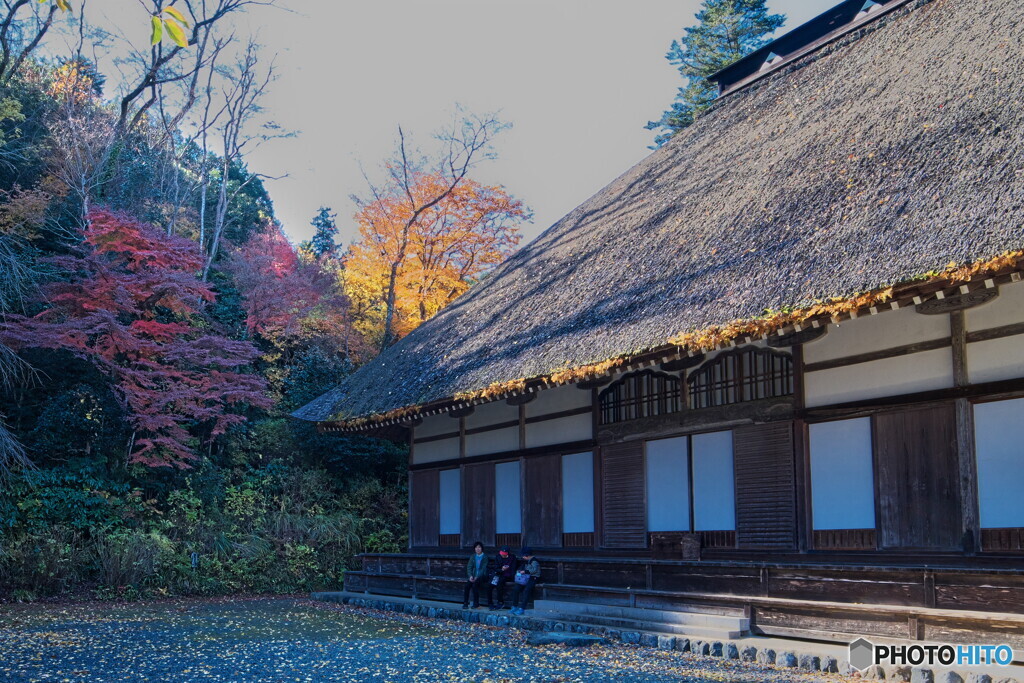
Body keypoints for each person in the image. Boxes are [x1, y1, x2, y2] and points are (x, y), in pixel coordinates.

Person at [509, 547, 540, 615]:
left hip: (533, 577)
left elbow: (534, 570)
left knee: (526, 590)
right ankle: (514, 606)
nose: (523, 557)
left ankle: (522, 608)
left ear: (527, 555)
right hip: (526, 578)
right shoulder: (526, 561)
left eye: (523, 556)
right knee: (516, 589)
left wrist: (525, 571)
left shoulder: (534, 561)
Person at [486, 546, 517, 610]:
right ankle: (490, 603)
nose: (502, 555)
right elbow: (496, 568)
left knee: (499, 583)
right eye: (501, 553)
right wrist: (502, 569)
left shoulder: (512, 558)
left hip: (507, 575)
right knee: (489, 585)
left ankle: (500, 602)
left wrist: (510, 574)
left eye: (504, 554)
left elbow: (513, 569)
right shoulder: (498, 557)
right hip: (498, 574)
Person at [462, 541, 488, 609]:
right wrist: (470, 576)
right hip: (473, 576)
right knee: (467, 586)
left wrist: (477, 577)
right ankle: (465, 603)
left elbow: (483, 569)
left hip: (482, 576)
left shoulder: (485, 557)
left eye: (479, 547)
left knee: (474, 585)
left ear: (482, 548)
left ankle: (476, 603)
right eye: (476, 547)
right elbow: (469, 566)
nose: (477, 549)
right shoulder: (473, 556)